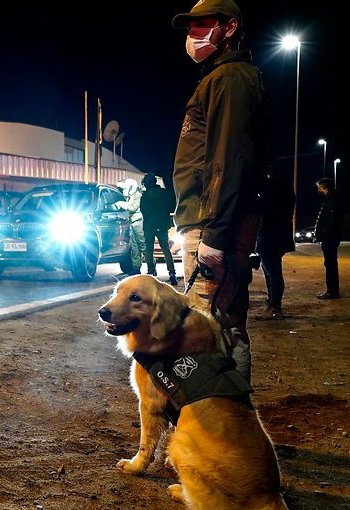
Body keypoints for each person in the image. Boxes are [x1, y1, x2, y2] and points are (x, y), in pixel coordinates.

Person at [171, 0, 269, 382]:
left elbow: (230, 160)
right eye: (190, 27)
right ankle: (224, 423)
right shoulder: (221, 78)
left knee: (214, 329)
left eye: (203, 25)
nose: (194, 35)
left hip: (215, 224)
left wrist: (214, 233)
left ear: (229, 28)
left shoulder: (230, 79)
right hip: (209, 220)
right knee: (219, 325)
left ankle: (225, 426)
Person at [255, 168, 296, 319]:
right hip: (277, 238)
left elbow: (263, 213)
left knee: (273, 274)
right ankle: (272, 304)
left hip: (269, 238)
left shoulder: (271, 196)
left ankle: (274, 308)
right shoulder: (286, 194)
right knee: (272, 273)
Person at [139, 172, 178, 286]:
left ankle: (151, 273)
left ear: (146, 184)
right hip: (162, 225)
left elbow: (143, 211)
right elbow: (170, 207)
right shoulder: (164, 194)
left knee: (149, 250)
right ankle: (171, 273)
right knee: (166, 249)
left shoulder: (144, 196)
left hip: (149, 226)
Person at [314, 177, 343, 299]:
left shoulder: (332, 202)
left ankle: (332, 291)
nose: (319, 191)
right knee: (330, 264)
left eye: (320, 188)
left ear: (326, 189)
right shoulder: (331, 200)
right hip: (330, 237)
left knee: (330, 264)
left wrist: (324, 234)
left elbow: (330, 222)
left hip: (329, 238)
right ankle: (331, 290)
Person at [117, 178, 145, 275]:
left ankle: (151, 266)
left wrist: (122, 204)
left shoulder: (137, 196)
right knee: (134, 247)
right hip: (132, 223)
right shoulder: (130, 197)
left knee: (143, 245)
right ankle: (136, 268)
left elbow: (133, 208)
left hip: (138, 223)